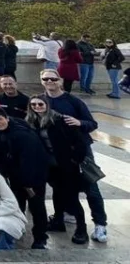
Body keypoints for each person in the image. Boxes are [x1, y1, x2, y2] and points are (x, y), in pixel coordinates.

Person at [38, 69, 110, 243]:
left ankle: (100, 223)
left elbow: (92, 123)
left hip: (80, 151)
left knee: (90, 186)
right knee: (60, 186)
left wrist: (79, 122)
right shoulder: (40, 100)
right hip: (55, 153)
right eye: (45, 79)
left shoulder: (73, 101)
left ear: (60, 81)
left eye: (53, 79)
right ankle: (65, 214)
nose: (49, 82)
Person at [25, 96, 89, 244]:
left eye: (40, 104)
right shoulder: (31, 121)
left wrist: (74, 160)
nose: (37, 107)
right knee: (57, 193)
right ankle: (58, 220)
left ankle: (81, 228)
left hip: (66, 165)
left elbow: (79, 142)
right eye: (33, 104)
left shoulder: (61, 120)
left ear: (47, 105)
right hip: (48, 165)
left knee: (71, 197)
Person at [0, 106, 50, 249]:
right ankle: (16, 229)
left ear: (7, 118)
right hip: (15, 176)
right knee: (16, 205)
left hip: (33, 178)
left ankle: (40, 237)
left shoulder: (22, 135)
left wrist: (28, 183)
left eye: (0, 119)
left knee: (37, 207)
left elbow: (31, 160)